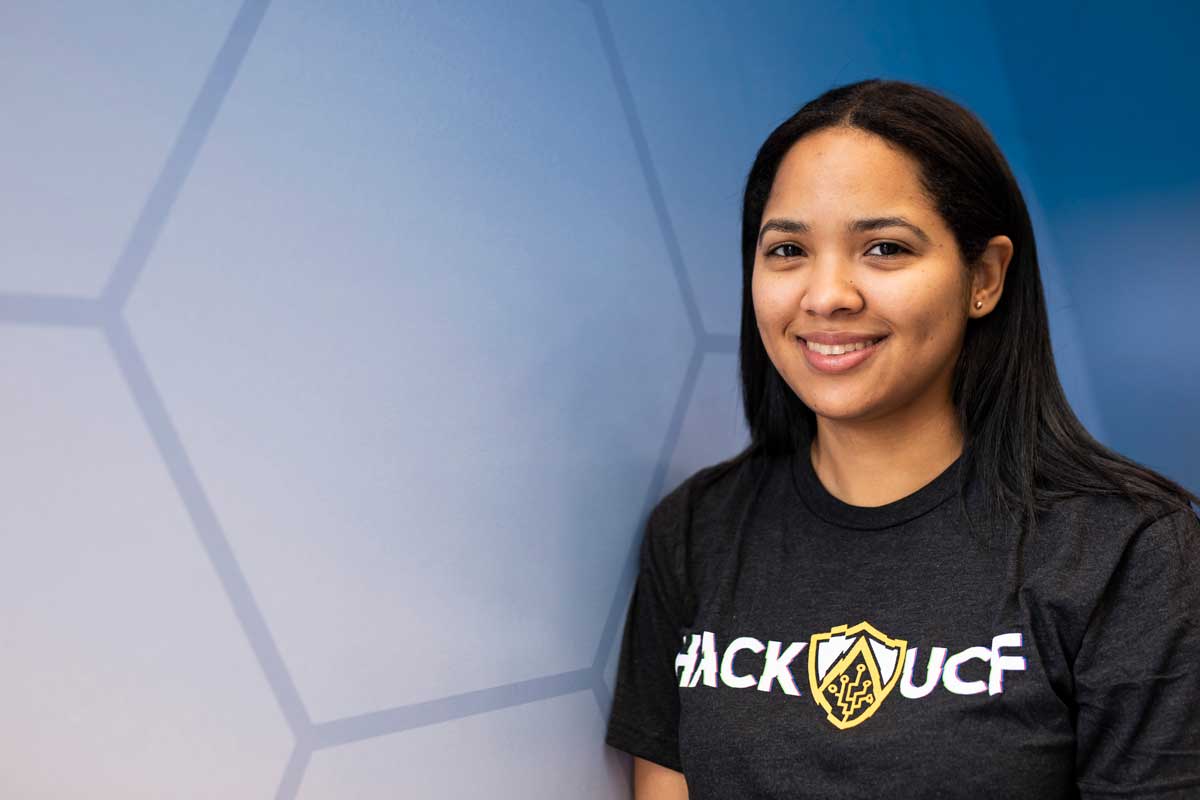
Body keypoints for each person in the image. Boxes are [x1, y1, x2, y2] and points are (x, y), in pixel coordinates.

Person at [603, 78, 1200, 799]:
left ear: (984, 277)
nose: (826, 295)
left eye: (884, 248)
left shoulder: (1124, 551)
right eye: (787, 249)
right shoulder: (695, 532)